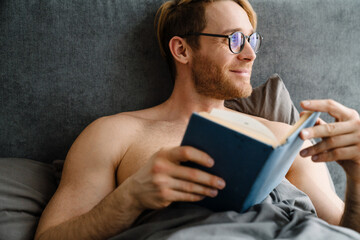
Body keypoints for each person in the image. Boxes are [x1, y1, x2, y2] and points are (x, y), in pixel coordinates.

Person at [35, 0, 360, 239]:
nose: (250, 54)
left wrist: (357, 176)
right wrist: (130, 197)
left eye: (252, 39)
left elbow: (346, 232)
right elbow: (50, 237)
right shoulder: (114, 134)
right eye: (233, 39)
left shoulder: (285, 138)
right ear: (182, 50)